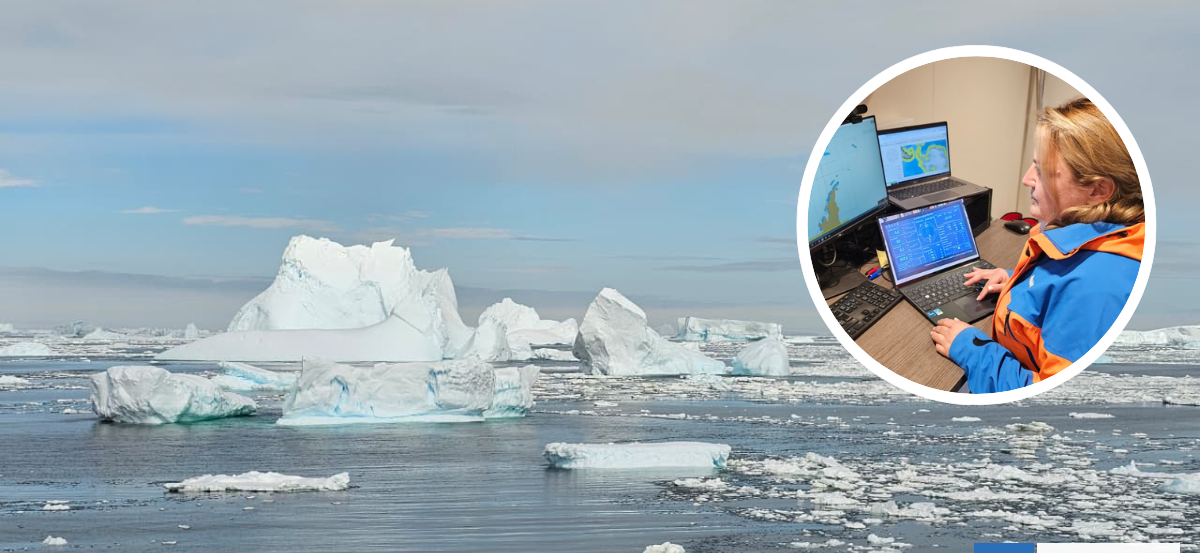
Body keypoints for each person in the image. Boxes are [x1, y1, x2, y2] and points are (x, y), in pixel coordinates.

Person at [929, 98, 1145, 393]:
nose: (1026, 179)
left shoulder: (1097, 291)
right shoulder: (1098, 232)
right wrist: (1016, 281)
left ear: (1097, 190)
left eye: (1042, 171)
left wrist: (973, 350)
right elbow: (1062, 283)